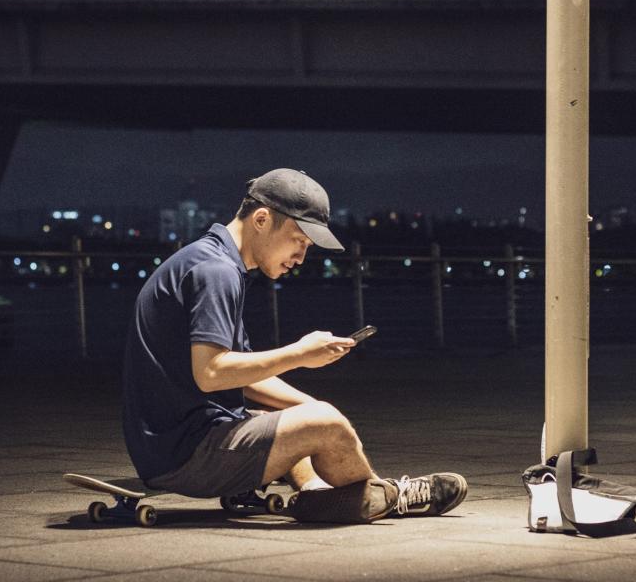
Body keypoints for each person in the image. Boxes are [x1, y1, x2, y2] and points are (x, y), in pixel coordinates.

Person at [122, 168, 466, 523]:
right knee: (325, 423)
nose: (301, 257)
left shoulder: (209, 260)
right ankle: (391, 496)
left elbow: (242, 375)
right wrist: (300, 356)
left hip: (171, 445)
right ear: (261, 219)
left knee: (307, 418)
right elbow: (212, 374)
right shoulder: (217, 272)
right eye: (298, 240)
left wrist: (311, 406)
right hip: (187, 454)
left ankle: (316, 495)